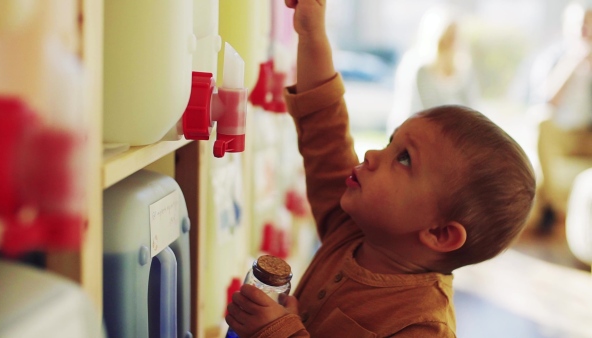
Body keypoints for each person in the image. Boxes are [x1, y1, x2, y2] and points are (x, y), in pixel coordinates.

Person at [225, 0, 536, 337]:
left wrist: (278, 331)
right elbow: (324, 127)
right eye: (390, 141)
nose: (373, 154)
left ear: (439, 233)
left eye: (404, 158)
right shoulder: (353, 226)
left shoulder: (423, 326)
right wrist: (311, 32)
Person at [528, 0, 592, 233]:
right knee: (539, 119)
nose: (583, 29)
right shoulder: (553, 56)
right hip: (561, 133)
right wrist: (574, 61)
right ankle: (556, 207)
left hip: (588, 134)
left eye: (588, 22)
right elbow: (547, 99)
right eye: (578, 23)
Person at [387, 4, 480, 134]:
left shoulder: (463, 69)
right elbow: (431, 112)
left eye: (454, 36)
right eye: (448, 37)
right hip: (416, 134)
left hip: (450, 134)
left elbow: (472, 110)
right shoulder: (421, 69)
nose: (452, 42)